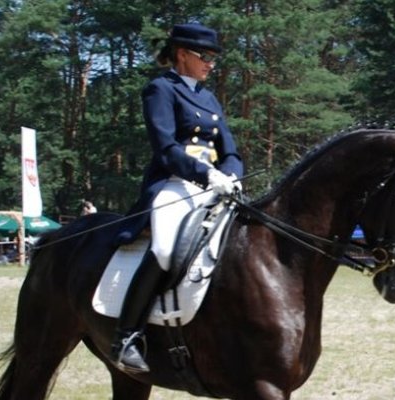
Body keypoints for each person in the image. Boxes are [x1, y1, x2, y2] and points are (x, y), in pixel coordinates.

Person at [110, 22, 244, 374]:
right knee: (167, 248)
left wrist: (231, 175)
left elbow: (229, 149)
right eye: (205, 56)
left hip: (214, 186)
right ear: (181, 54)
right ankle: (127, 336)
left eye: (215, 58)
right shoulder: (160, 89)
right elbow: (166, 148)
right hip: (174, 184)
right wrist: (207, 174)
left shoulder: (208, 97)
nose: (211, 64)